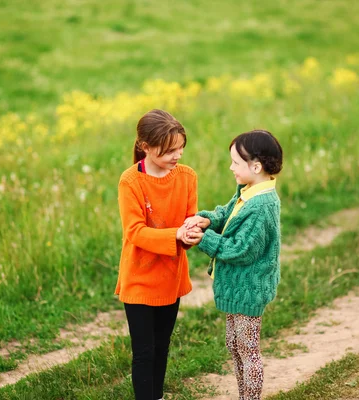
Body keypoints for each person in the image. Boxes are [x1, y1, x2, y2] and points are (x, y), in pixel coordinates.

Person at [184, 129, 283, 400]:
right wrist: (206, 220)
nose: (231, 168)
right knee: (234, 344)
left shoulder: (262, 205)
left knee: (248, 349)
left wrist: (205, 239)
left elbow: (242, 249)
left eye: (236, 163)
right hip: (235, 286)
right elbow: (227, 214)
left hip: (249, 287)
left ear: (256, 166)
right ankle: (243, 395)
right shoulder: (249, 191)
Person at [116, 109, 203, 400]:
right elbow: (135, 232)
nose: (177, 155)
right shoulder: (130, 181)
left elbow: (190, 219)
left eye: (180, 148)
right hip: (139, 278)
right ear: (145, 147)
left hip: (171, 276)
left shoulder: (188, 177)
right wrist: (175, 235)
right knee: (143, 352)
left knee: (161, 345)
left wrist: (191, 232)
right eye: (169, 151)